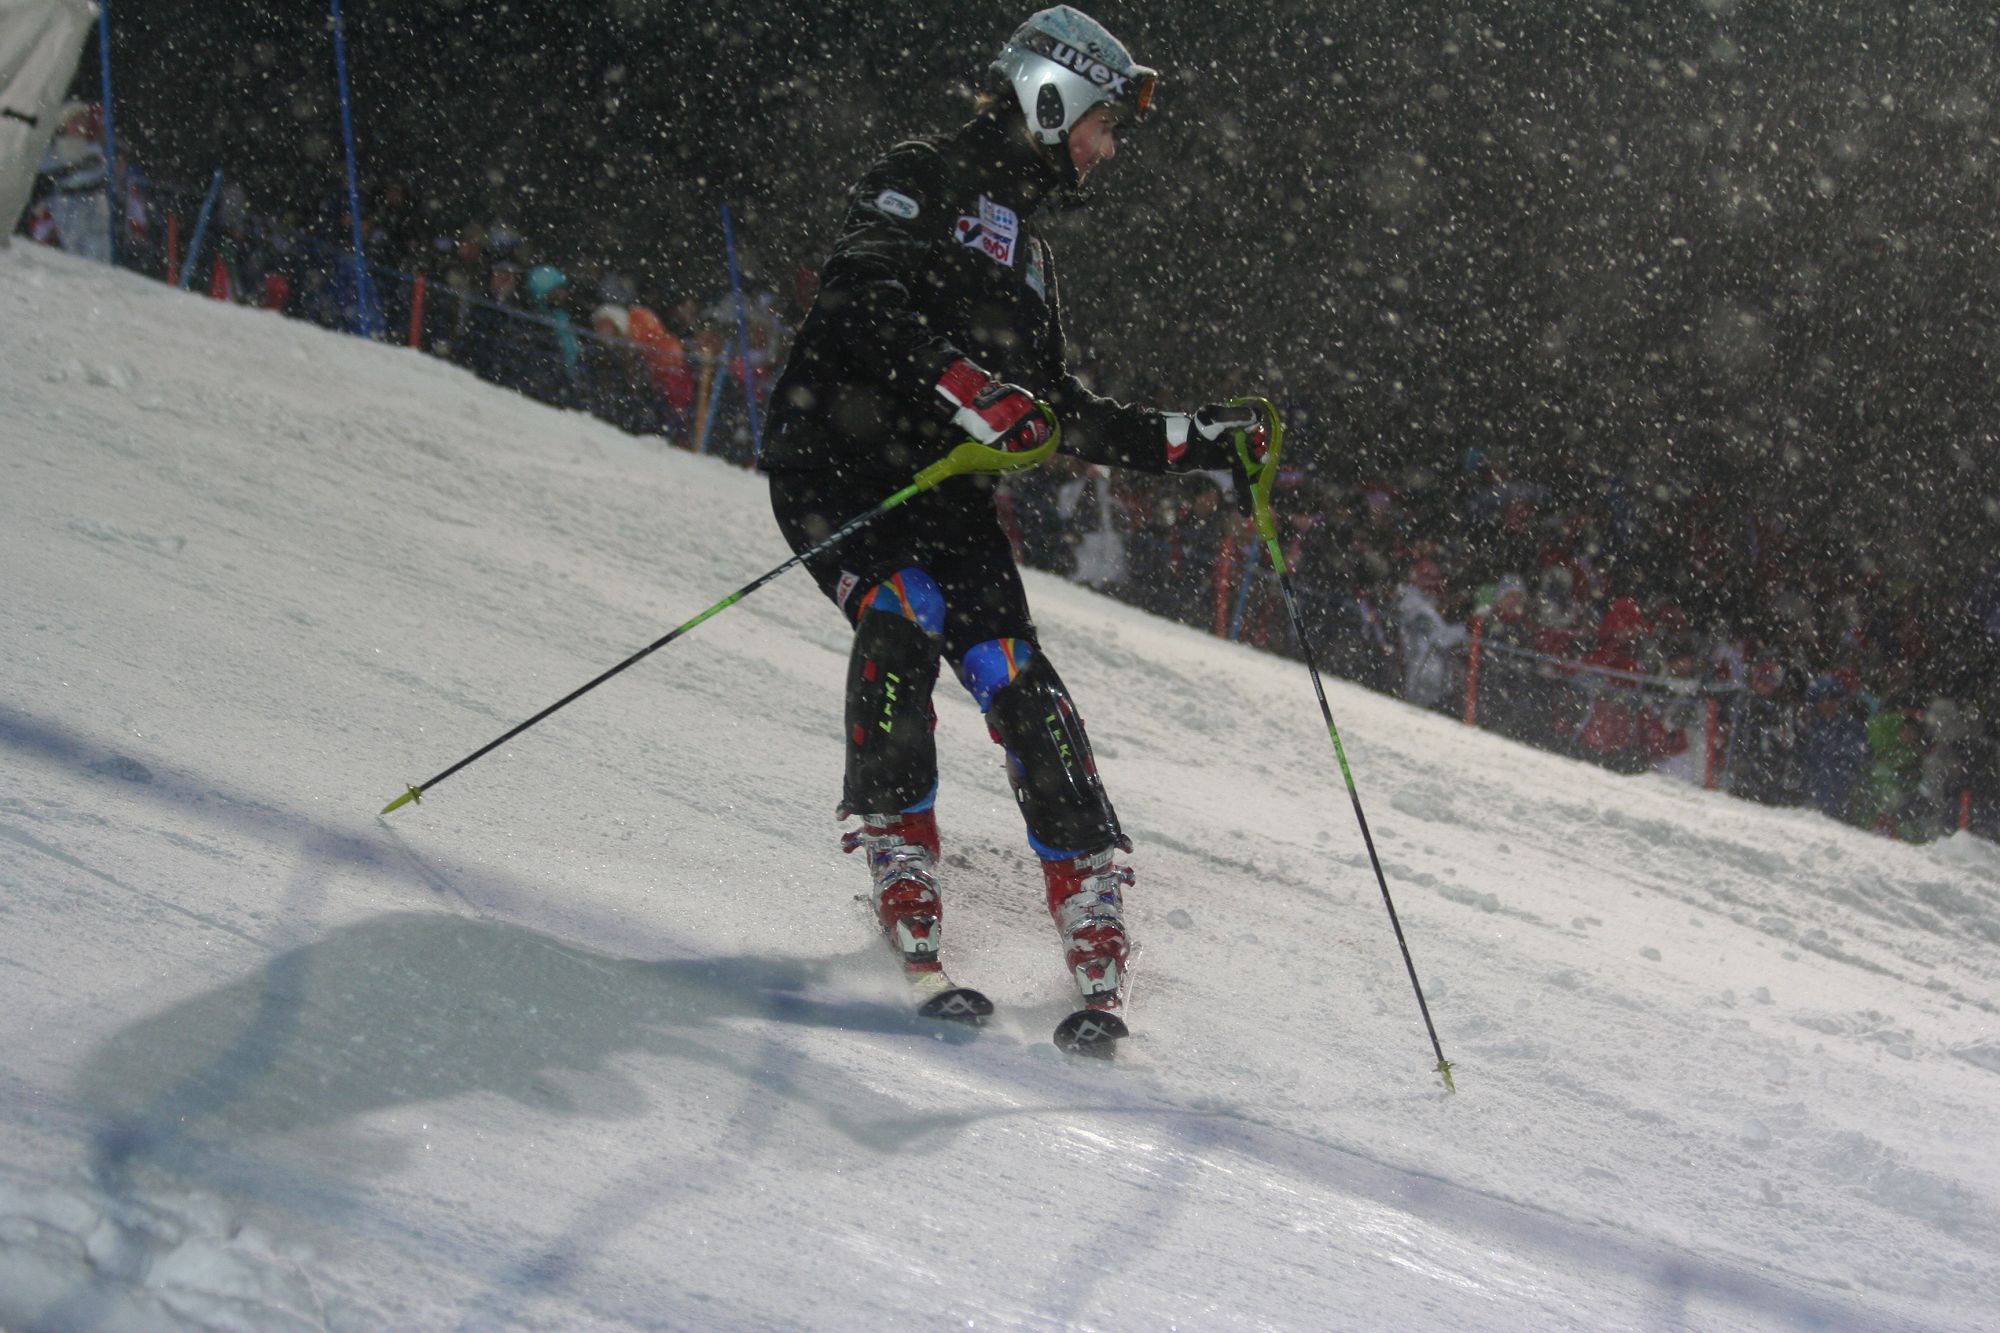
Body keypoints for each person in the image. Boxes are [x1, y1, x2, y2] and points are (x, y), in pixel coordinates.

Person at [760, 6, 1265, 1025]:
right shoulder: (922, 173)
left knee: (1013, 672)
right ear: (1051, 98)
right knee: (902, 611)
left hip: (946, 492)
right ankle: (901, 856)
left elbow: (1059, 408)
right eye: (1102, 126)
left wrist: (1196, 442)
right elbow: (859, 296)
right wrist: (967, 387)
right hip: (840, 465)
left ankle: (1089, 891)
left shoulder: (1031, 257)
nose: (1106, 150)